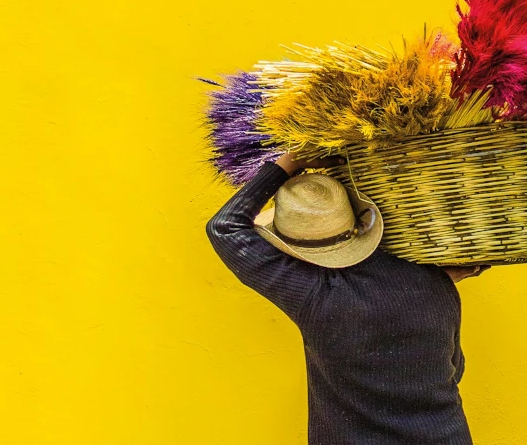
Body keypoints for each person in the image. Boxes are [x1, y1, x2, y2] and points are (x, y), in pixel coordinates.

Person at [205, 151, 485, 444]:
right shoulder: (437, 283)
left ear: (297, 251)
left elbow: (224, 228)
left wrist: (290, 163)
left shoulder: (314, 297)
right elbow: (455, 370)